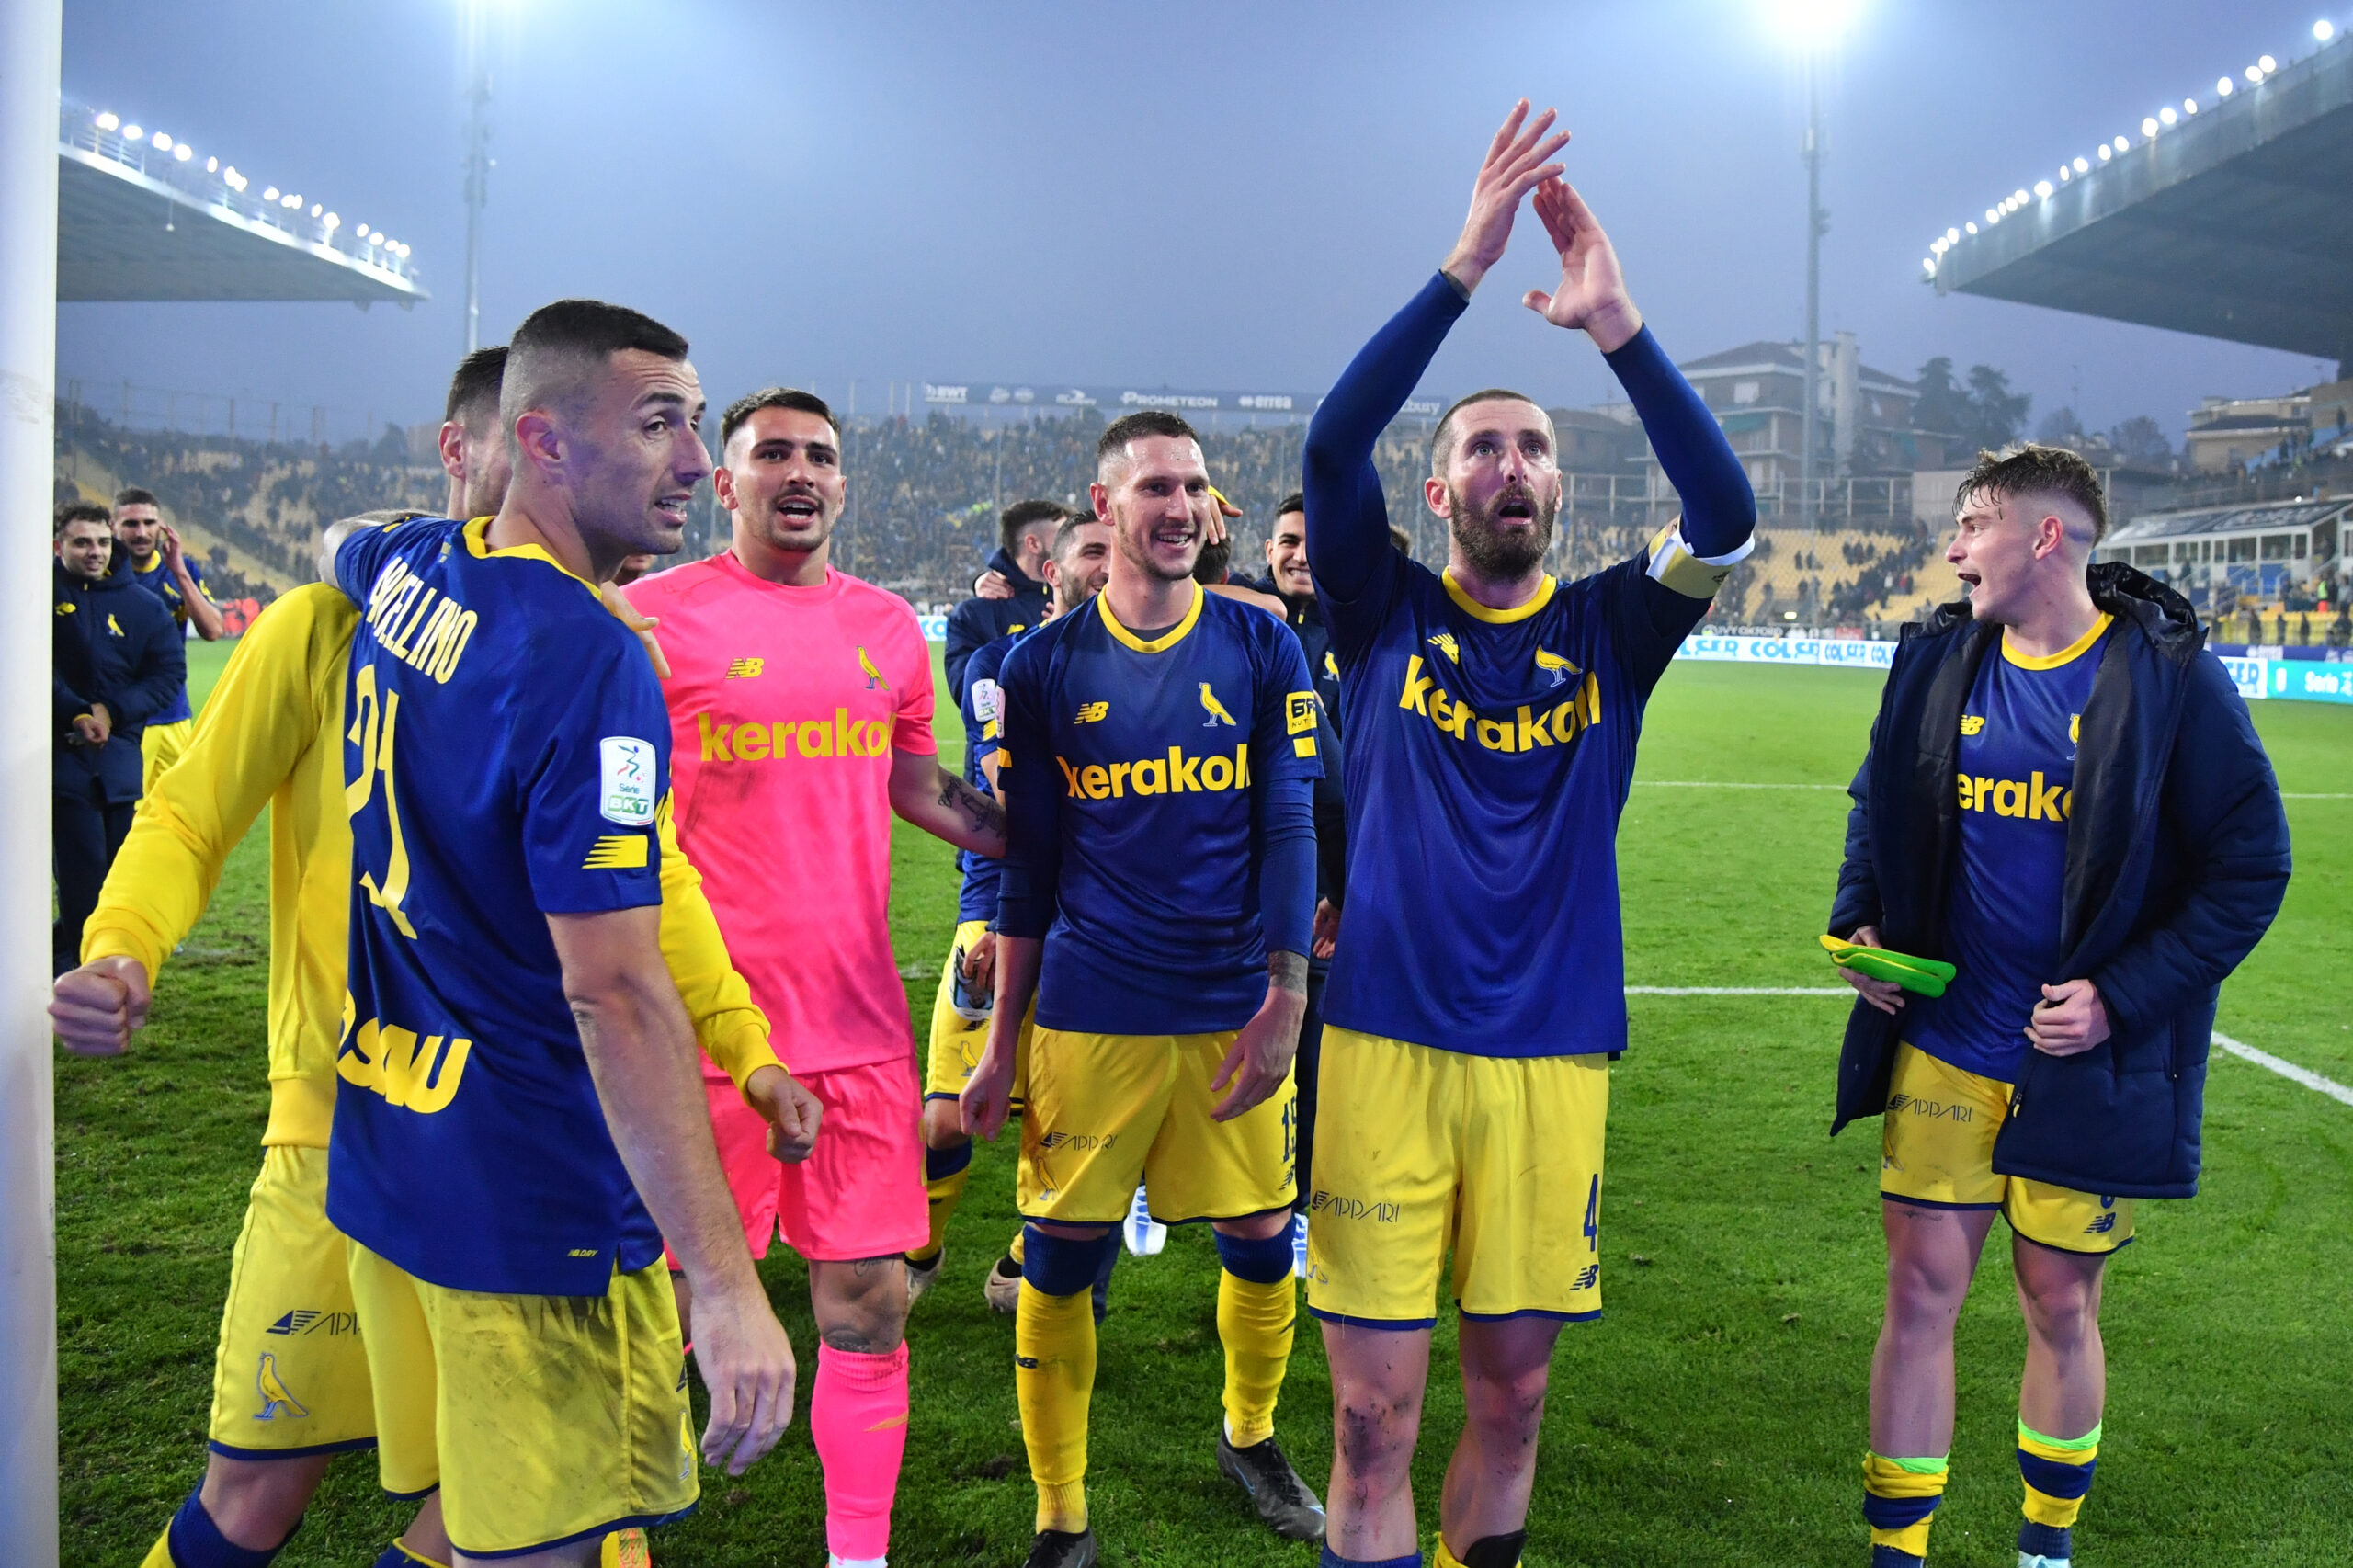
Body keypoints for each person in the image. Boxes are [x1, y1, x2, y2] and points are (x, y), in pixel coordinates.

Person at [51, 347, 810, 1568]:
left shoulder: (572, 633)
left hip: (475, 1139)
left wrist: (743, 1041)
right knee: (261, 1493)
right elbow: (188, 812)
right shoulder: (330, 627)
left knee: (511, 1510)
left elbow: (655, 880)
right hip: (343, 1136)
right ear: (467, 449)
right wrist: (123, 945)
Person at [1298, 103, 1756, 1568]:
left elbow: (1726, 514)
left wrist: (1618, 328)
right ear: (1440, 492)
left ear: (1561, 489)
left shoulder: (1616, 627)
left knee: (1515, 1401)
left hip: (1553, 1054)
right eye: (1484, 449)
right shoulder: (1378, 608)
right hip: (1382, 1044)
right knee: (1370, 1417)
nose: (1512, 465)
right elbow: (1332, 442)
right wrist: (1462, 269)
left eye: (1535, 449)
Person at [324, 300, 800, 1563]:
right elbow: (616, 991)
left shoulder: (419, 565)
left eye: (694, 424)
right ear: (540, 439)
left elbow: (342, 545)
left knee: (470, 1516)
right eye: (656, 425)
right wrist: (723, 1282)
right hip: (540, 1204)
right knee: (543, 1542)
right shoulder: (589, 657)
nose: (694, 461)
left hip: (397, 1145)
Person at [1826, 445, 2290, 1568]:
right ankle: (1897, 1551)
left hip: (2079, 1068)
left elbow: (2250, 867)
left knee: (2059, 1305)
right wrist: (1863, 922)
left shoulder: (2165, 678)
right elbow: (1877, 805)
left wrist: (2119, 999)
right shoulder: (1936, 658)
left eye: (1973, 524)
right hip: (1945, 1043)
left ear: (2044, 537)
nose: (1952, 549)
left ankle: (2044, 1548)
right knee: (1917, 1294)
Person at [623, 385, 1008, 1568]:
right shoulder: (646, 619)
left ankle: (858, 1555)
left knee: (869, 1306)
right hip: (701, 1032)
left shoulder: (887, 627)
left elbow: (917, 784)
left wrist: (1047, 840)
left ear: (843, 484)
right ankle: (618, 1534)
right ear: (723, 480)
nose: (799, 472)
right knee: (659, 1315)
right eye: (772, 453)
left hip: (857, 1027)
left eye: (820, 456)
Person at [961, 409, 1328, 1568]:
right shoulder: (1040, 665)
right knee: (1060, 1257)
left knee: (1260, 1237)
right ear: (1104, 506)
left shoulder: (1260, 644)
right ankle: (1059, 1510)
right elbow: (1028, 868)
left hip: (1230, 1004)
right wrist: (997, 1044)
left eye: (1196, 486)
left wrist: (1286, 993)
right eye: (1157, 486)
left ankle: (1249, 1433)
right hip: (1091, 1009)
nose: (1182, 507)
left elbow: (1287, 825)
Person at [913, 511, 1113, 1312]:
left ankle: (1027, 1257)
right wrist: (1002, 917)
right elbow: (1006, 786)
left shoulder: (1153, 664)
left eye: (1117, 549)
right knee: (945, 1119)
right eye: (1092, 551)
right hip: (999, 904)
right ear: (1052, 572)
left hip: (1100, 923)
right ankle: (919, 1253)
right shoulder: (1002, 662)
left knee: (1076, 1125)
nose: (1109, 564)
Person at [1260, 493, 1346, 1258]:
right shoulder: (1241, 624)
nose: (1300, 555)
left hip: (1323, 880)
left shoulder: (1360, 632)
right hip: (1237, 882)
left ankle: (1299, 1205)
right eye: (1288, 540)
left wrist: (1342, 886)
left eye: (1315, 543)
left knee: (1312, 1054)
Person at [53, 500, 184, 977]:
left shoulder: (143, 605)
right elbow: (27, 665)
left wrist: (113, 711)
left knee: (118, 873)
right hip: (59, 761)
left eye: (102, 542)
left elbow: (168, 674)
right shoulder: (35, 594)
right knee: (82, 872)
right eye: (81, 543)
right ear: (58, 546)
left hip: (120, 762)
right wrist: (74, 711)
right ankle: (83, 968)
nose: (94, 552)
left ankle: (91, 961)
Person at [109, 485, 225, 791]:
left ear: (161, 527)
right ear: (113, 526)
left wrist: (179, 571)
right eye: (130, 524)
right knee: (130, 808)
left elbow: (213, 630)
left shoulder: (182, 570)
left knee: (181, 807)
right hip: (127, 720)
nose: (141, 532)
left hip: (175, 715)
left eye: (149, 523)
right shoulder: (104, 575)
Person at [945, 499, 1066, 695]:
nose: (1072, 541)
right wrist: (1044, 638)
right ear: (1033, 544)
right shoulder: (973, 614)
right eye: (1063, 534)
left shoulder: (1080, 601)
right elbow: (968, 692)